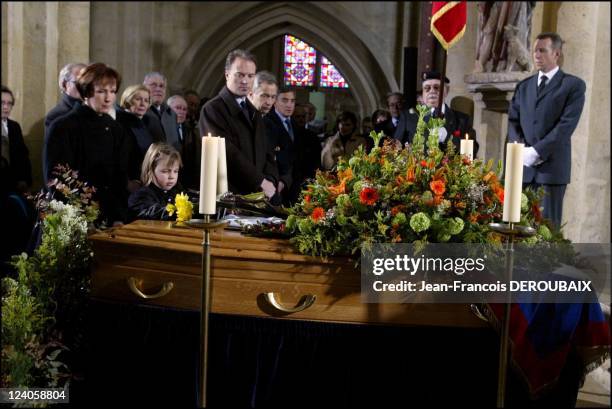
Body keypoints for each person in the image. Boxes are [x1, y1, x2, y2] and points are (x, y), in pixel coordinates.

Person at [508, 32, 585, 229]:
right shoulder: (524, 86)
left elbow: (566, 125)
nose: (536, 55)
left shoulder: (572, 85)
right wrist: (523, 151)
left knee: (546, 233)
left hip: (551, 170)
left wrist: (537, 151)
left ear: (556, 54)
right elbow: (513, 121)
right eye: (535, 50)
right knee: (517, 229)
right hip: (523, 169)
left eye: (542, 50)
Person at [45, 63, 129, 227]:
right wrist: (80, 216)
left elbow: (119, 179)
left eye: (112, 91)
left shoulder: (116, 129)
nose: (108, 98)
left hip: (109, 217)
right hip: (72, 219)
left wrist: (118, 216)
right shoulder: (63, 126)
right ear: (86, 92)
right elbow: (56, 180)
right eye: (101, 91)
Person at [198, 49, 278, 199]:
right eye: (240, 75)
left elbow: (268, 152)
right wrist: (260, 181)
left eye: (250, 76)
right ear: (227, 74)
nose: (245, 81)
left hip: (259, 195)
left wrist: (271, 180)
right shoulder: (213, 109)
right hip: (231, 196)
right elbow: (228, 154)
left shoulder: (254, 111)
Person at [394, 71, 478, 156]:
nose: (432, 91)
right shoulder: (409, 117)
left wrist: (448, 138)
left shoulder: (461, 119)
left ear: (447, 91)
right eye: (427, 88)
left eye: (437, 87)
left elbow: (472, 151)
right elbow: (395, 149)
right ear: (422, 93)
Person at [1, 85, 34, 266]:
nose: (6, 107)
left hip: (13, 186)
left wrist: (25, 181)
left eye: (9, 103)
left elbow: (22, 156)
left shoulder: (14, 127)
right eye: (2, 103)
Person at [128, 142, 183, 222]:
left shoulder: (175, 192)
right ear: (150, 170)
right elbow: (154, 213)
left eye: (175, 171)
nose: (172, 176)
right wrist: (182, 212)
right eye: (165, 171)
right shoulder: (141, 196)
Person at [116, 84, 154, 192]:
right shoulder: (120, 123)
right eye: (138, 99)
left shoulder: (145, 123)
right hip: (127, 184)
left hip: (144, 181)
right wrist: (127, 182)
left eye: (146, 100)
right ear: (128, 101)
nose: (143, 103)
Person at [264, 87, 297, 204]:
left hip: (293, 185)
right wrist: (281, 180)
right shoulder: (267, 122)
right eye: (284, 100)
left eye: (292, 101)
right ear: (275, 101)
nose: (289, 105)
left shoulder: (295, 123)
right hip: (276, 184)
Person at [142, 72, 180, 150]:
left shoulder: (172, 114)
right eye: (153, 85)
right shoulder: (140, 111)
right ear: (144, 88)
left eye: (162, 86)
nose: (158, 89)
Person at [44, 62, 86, 132]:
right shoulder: (57, 116)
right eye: (79, 83)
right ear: (64, 84)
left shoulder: (96, 109)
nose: (85, 87)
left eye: (88, 83)